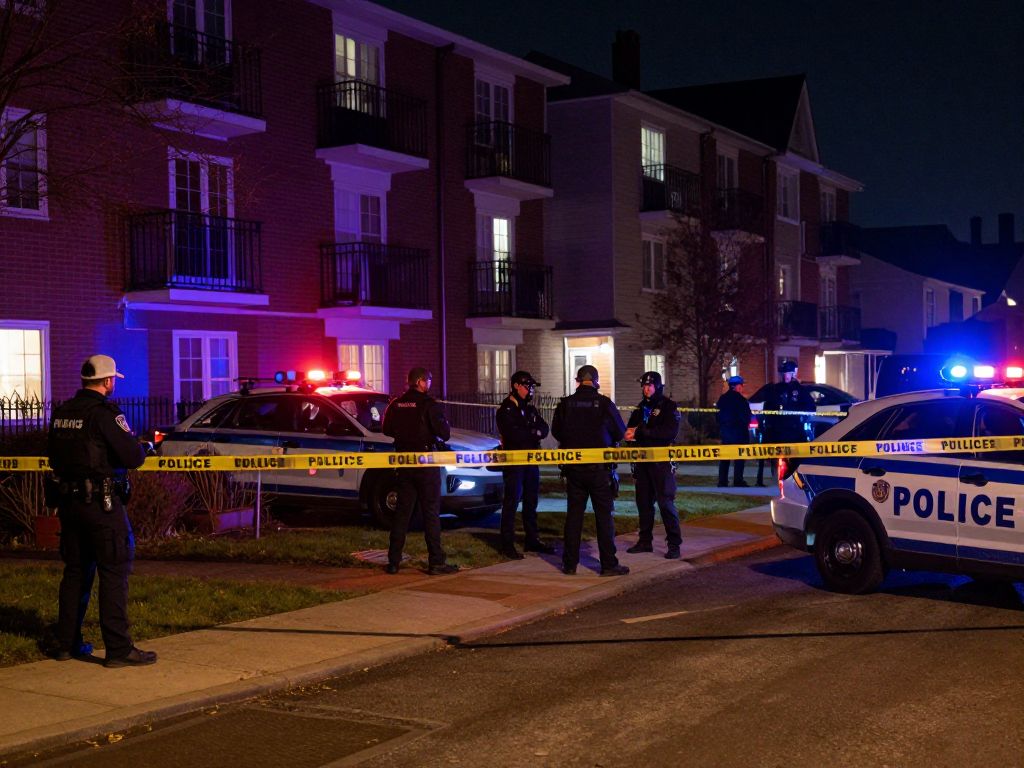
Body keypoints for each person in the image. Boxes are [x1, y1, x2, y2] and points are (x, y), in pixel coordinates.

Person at [47, 354, 156, 667]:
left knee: (75, 573)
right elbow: (132, 456)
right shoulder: (106, 413)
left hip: (69, 505)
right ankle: (119, 649)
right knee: (113, 570)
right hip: (102, 507)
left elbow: (54, 456)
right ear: (108, 382)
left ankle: (66, 644)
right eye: (112, 381)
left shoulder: (63, 412)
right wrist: (143, 446)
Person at [551, 365, 629, 576]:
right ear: (595, 382)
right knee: (604, 517)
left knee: (574, 517)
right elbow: (620, 431)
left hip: (574, 471)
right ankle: (608, 564)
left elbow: (556, 431)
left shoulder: (566, 404)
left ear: (578, 381)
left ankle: (569, 564)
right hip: (599, 471)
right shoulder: (604, 404)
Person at [381, 367, 458, 576]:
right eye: (429, 381)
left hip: (405, 464)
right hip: (426, 464)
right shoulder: (429, 405)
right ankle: (436, 562)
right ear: (421, 382)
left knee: (402, 514)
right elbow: (445, 433)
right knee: (431, 513)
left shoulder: (396, 404)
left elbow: (386, 429)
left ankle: (393, 562)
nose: (430, 384)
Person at [623, 371, 683, 559]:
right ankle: (645, 541)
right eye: (644, 385)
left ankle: (674, 544)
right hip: (642, 464)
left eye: (649, 385)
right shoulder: (640, 409)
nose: (646, 389)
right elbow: (630, 432)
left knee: (665, 503)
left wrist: (642, 433)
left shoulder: (668, 407)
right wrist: (631, 436)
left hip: (661, 464)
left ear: (657, 386)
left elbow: (668, 432)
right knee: (644, 503)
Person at [495, 370, 553, 559]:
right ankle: (506, 543)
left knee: (531, 501)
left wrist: (532, 432)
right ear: (516, 386)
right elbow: (514, 435)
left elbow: (544, 428)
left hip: (531, 461)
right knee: (511, 502)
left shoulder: (529, 409)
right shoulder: (506, 410)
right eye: (527, 386)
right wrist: (532, 432)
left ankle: (532, 539)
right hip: (514, 463)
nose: (530, 390)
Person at [756, 360, 813, 485]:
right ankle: (776, 480)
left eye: (788, 373)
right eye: (783, 373)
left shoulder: (800, 390)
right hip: (777, 431)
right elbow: (766, 407)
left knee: (797, 458)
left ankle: (794, 481)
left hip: (794, 430)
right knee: (775, 458)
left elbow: (810, 407)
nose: (785, 376)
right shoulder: (775, 389)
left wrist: (803, 417)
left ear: (793, 373)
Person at [716, 375, 752, 488]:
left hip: (726, 433)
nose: (742, 387)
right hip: (739, 433)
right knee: (739, 458)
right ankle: (738, 480)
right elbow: (746, 417)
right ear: (737, 386)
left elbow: (717, 416)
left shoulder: (722, 399)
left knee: (725, 458)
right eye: (741, 385)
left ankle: (722, 481)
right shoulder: (741, 400)